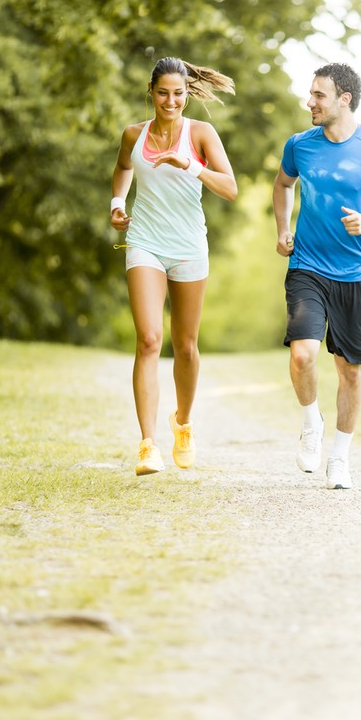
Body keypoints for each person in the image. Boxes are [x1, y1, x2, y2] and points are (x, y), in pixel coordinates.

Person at [273, 62, 361, 490]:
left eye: (318, 95)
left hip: (354, 274)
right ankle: (312, 424)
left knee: (349, 370)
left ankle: (340, 458)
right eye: (311, 94)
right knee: (303, 355)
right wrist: (283, 229)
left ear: (343, 99)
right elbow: (282, 184)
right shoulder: (300, 145)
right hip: (307, 266)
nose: (309, 102)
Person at [110, 56, 237, 476]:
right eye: (163, 93)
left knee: (185, 346)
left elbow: (231, 189)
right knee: (148, 339)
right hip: (145, 241)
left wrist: (192, 166)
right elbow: (124, 166)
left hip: (187, 246)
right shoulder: (134, 134)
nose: (171, 100)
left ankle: (182, 422)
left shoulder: (200, 134)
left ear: (187, 94)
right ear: (152, 92)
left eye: (178, 93)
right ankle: (147, 445)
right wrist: (116, 203)